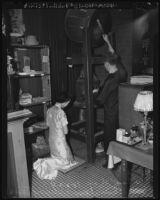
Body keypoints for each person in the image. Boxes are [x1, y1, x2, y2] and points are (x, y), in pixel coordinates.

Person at [95, 34, 128, 168]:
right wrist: (107, 41)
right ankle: (120, 159)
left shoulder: (110, 80)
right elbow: (115, 55)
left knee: (109, 137)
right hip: (121, 110)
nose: (105, 68)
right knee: (119, 135)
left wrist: (95, 93)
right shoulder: (122, 72)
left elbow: (100, 100)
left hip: (111, 112)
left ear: (109, 64)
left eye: (105, 66)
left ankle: (111, 163)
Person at [33, 92, 77, 179]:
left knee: (55, 155)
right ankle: (45, 163)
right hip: (59, 139)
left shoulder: (49, 110)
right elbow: (66, 131)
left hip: (51, 138)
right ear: (64, 102)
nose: (68, 104)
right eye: (68, 103)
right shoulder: (61, 112)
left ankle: (51, 161)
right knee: (64, 162)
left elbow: (48, 124)